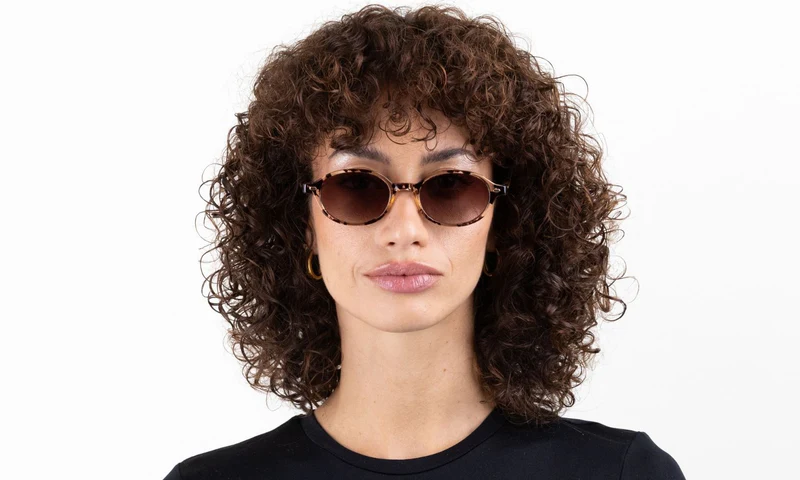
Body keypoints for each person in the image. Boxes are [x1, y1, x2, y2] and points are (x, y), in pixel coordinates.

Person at [164, 4, 685, 479]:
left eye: (451, 187)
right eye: (356, 186)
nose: (405, 231)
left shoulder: (620, 474)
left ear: (502, 222)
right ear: (302, 224)